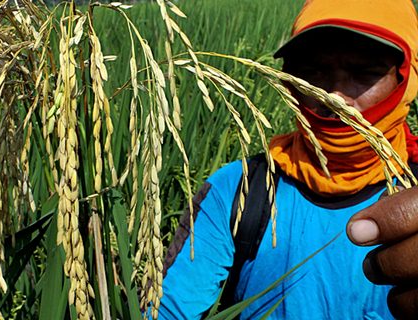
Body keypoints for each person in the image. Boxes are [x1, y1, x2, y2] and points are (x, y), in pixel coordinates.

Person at [157, 0, 418, 319]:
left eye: (364, 73)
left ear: (407, 80)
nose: (335, 97)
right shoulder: (237, 190)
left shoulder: (414, 194)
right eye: (313, 72)